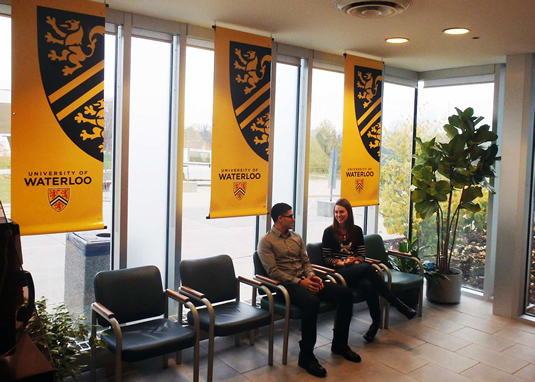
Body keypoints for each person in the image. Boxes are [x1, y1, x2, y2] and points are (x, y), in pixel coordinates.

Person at [258, 202, 360, 378]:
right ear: (280, 219)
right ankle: (306, 355)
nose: (293, 219)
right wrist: (300, 282)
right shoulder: (266, 242)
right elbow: (273, 272)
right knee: (312, 302)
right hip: (286, 286)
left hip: (305, 279)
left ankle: (339, 344)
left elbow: (305, 262)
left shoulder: (296, 237)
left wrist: (311, 276)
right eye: (290, 216)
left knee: (345, 294)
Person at [322, 198, 417, 343]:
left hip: (356, 269)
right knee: (368, 268)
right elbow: (326, 258)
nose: (338, 215)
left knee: (368, 284)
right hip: (339, 273)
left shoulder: (356, 231)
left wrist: (355, 261)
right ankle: (398, 305)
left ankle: (375, 323)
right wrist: (341, 262)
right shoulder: (329, 232)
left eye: (341, 212)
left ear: (349, 213)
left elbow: (361, 255)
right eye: (336, 212)